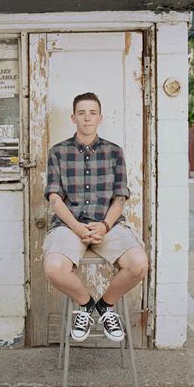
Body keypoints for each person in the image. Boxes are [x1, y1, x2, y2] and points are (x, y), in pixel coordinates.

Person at [43, 92, 148, 342]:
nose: (87, 118)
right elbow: (54, 198)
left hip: (108, 226)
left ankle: (106, 306)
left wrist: (104, 225)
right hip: (70, 226)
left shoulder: (114, 152)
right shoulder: (58, 152)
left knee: (139, 265)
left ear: (100, 118)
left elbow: (119, 198)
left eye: (92, 113)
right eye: (82, 113)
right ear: (73, 118)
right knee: (54, 268)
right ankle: (87, 305)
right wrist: (78, 228)